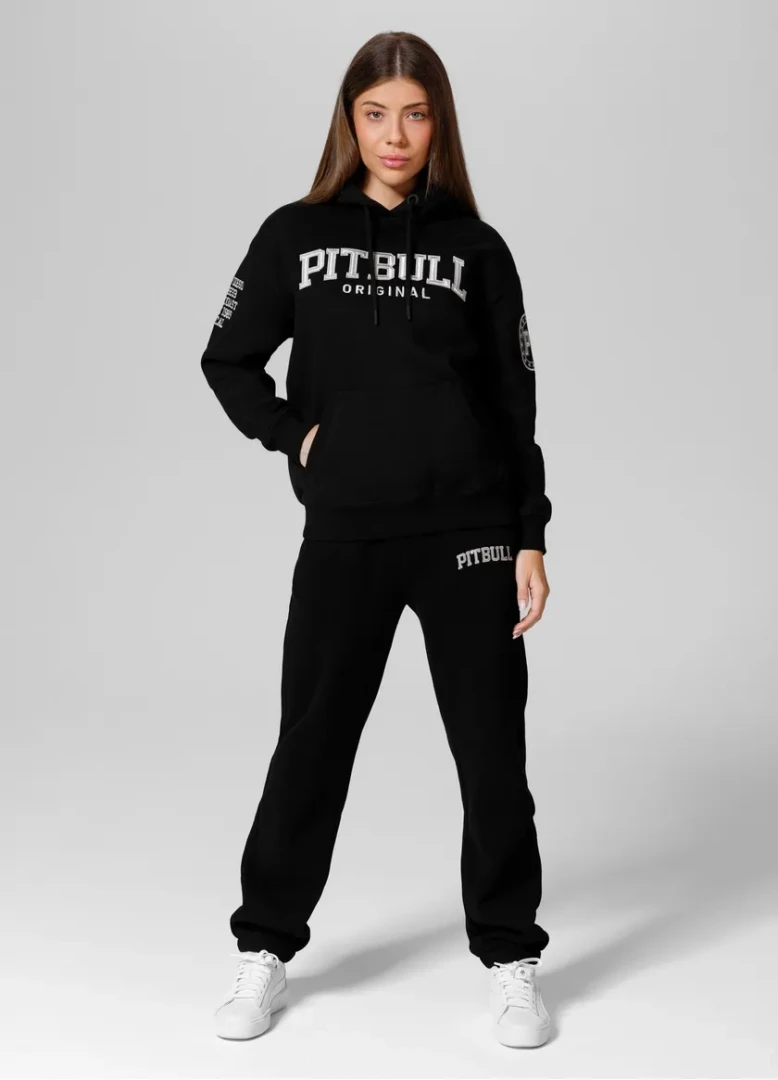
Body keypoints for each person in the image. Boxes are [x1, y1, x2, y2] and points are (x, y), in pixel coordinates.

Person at [200, 30, 553, 1049]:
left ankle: (511, 959)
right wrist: (297, 436)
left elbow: (515, 404)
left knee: (492, 754)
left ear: (438, 124)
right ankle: (264, 948)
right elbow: (227, 359)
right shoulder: (295, 235)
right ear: (349, 121)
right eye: (375, 114)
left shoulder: (476, 249)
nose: (395, 135)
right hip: (347, 534)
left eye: (415, 114)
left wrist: (529, 536)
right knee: (311, 745)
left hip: (468, 533)